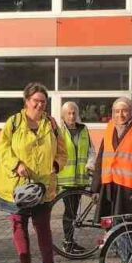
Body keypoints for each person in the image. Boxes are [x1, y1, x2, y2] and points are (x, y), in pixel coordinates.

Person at [0, 82, 67, 263]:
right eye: (36, 101)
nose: (39, 105)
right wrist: (16, 164)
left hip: (43, 186)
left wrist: (56, 164)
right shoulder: (14, 122)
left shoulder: (52, 125)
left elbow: (63, 152)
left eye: (43, 102)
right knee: (18, 225)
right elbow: (1, 148)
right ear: (27, 101)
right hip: (17, 187)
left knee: (43, 228)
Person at [57, 101, 95, 254]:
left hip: (81, 178)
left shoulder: (84, 129)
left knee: (74, 213)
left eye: (74, 113)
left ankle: (71, 241)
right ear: (63, 115)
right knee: (70, 212)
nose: (72, 116)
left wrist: (90, 164)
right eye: (69, 113)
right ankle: (68, 242)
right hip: (66, 180)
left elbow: (91, 150)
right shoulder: (59, 132)